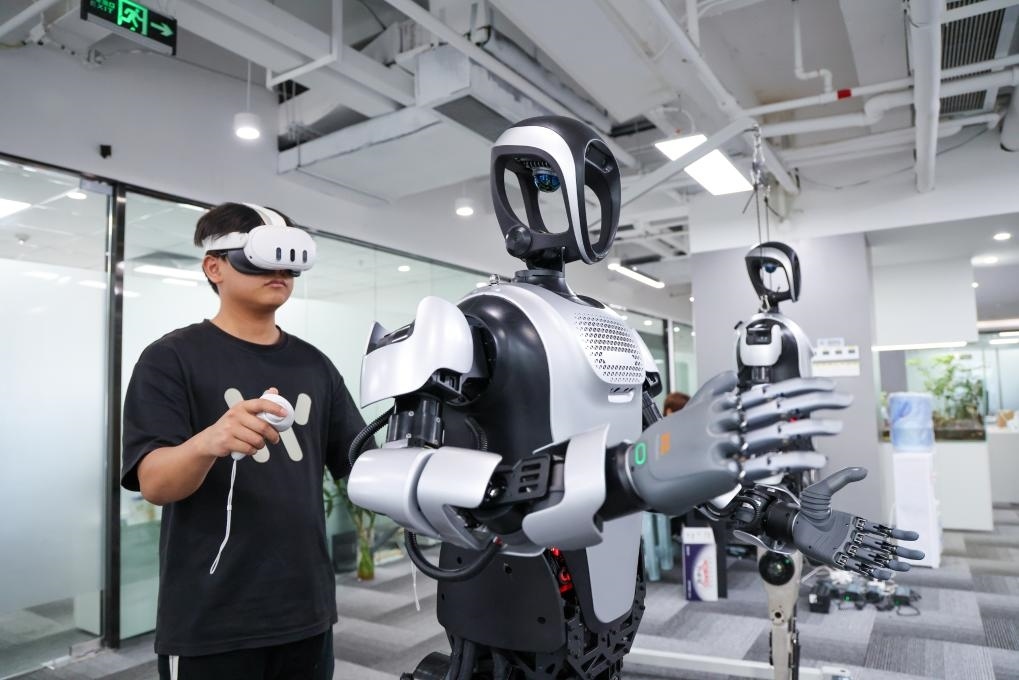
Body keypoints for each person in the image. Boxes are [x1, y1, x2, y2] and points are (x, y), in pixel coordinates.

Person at [122, 202, 366, 680]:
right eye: (260, 257)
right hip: (211, 619)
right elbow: (154, 483)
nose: (279, 271)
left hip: (306, 611)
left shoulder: (315, 365)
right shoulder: (170, 359)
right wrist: (207, 442)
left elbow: (359, 464)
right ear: (214, 267)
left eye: (288, 261)